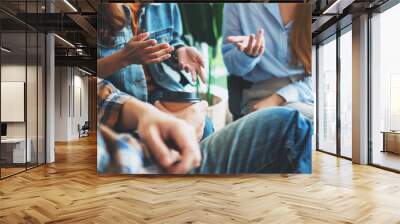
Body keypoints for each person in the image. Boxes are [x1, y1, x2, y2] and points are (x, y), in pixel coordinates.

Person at [97, 79, 312, 174]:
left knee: (206, 125)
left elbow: (97, 90)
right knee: (289, 125)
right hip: (146, 166)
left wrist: (144, 113)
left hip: (146, 111)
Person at [97, 3, 213, 139]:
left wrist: (179, 50)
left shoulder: (167, 5)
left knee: (205, 126)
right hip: (114, 98)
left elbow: (173, 39)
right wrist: (123, 58)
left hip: (157, 91)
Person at [222, 3, 314, 120]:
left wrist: (278, 98)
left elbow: (322, 72)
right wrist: (248, 55)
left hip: (307, 93)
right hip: (260, 96)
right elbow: (232, 66)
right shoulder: (239, 6)